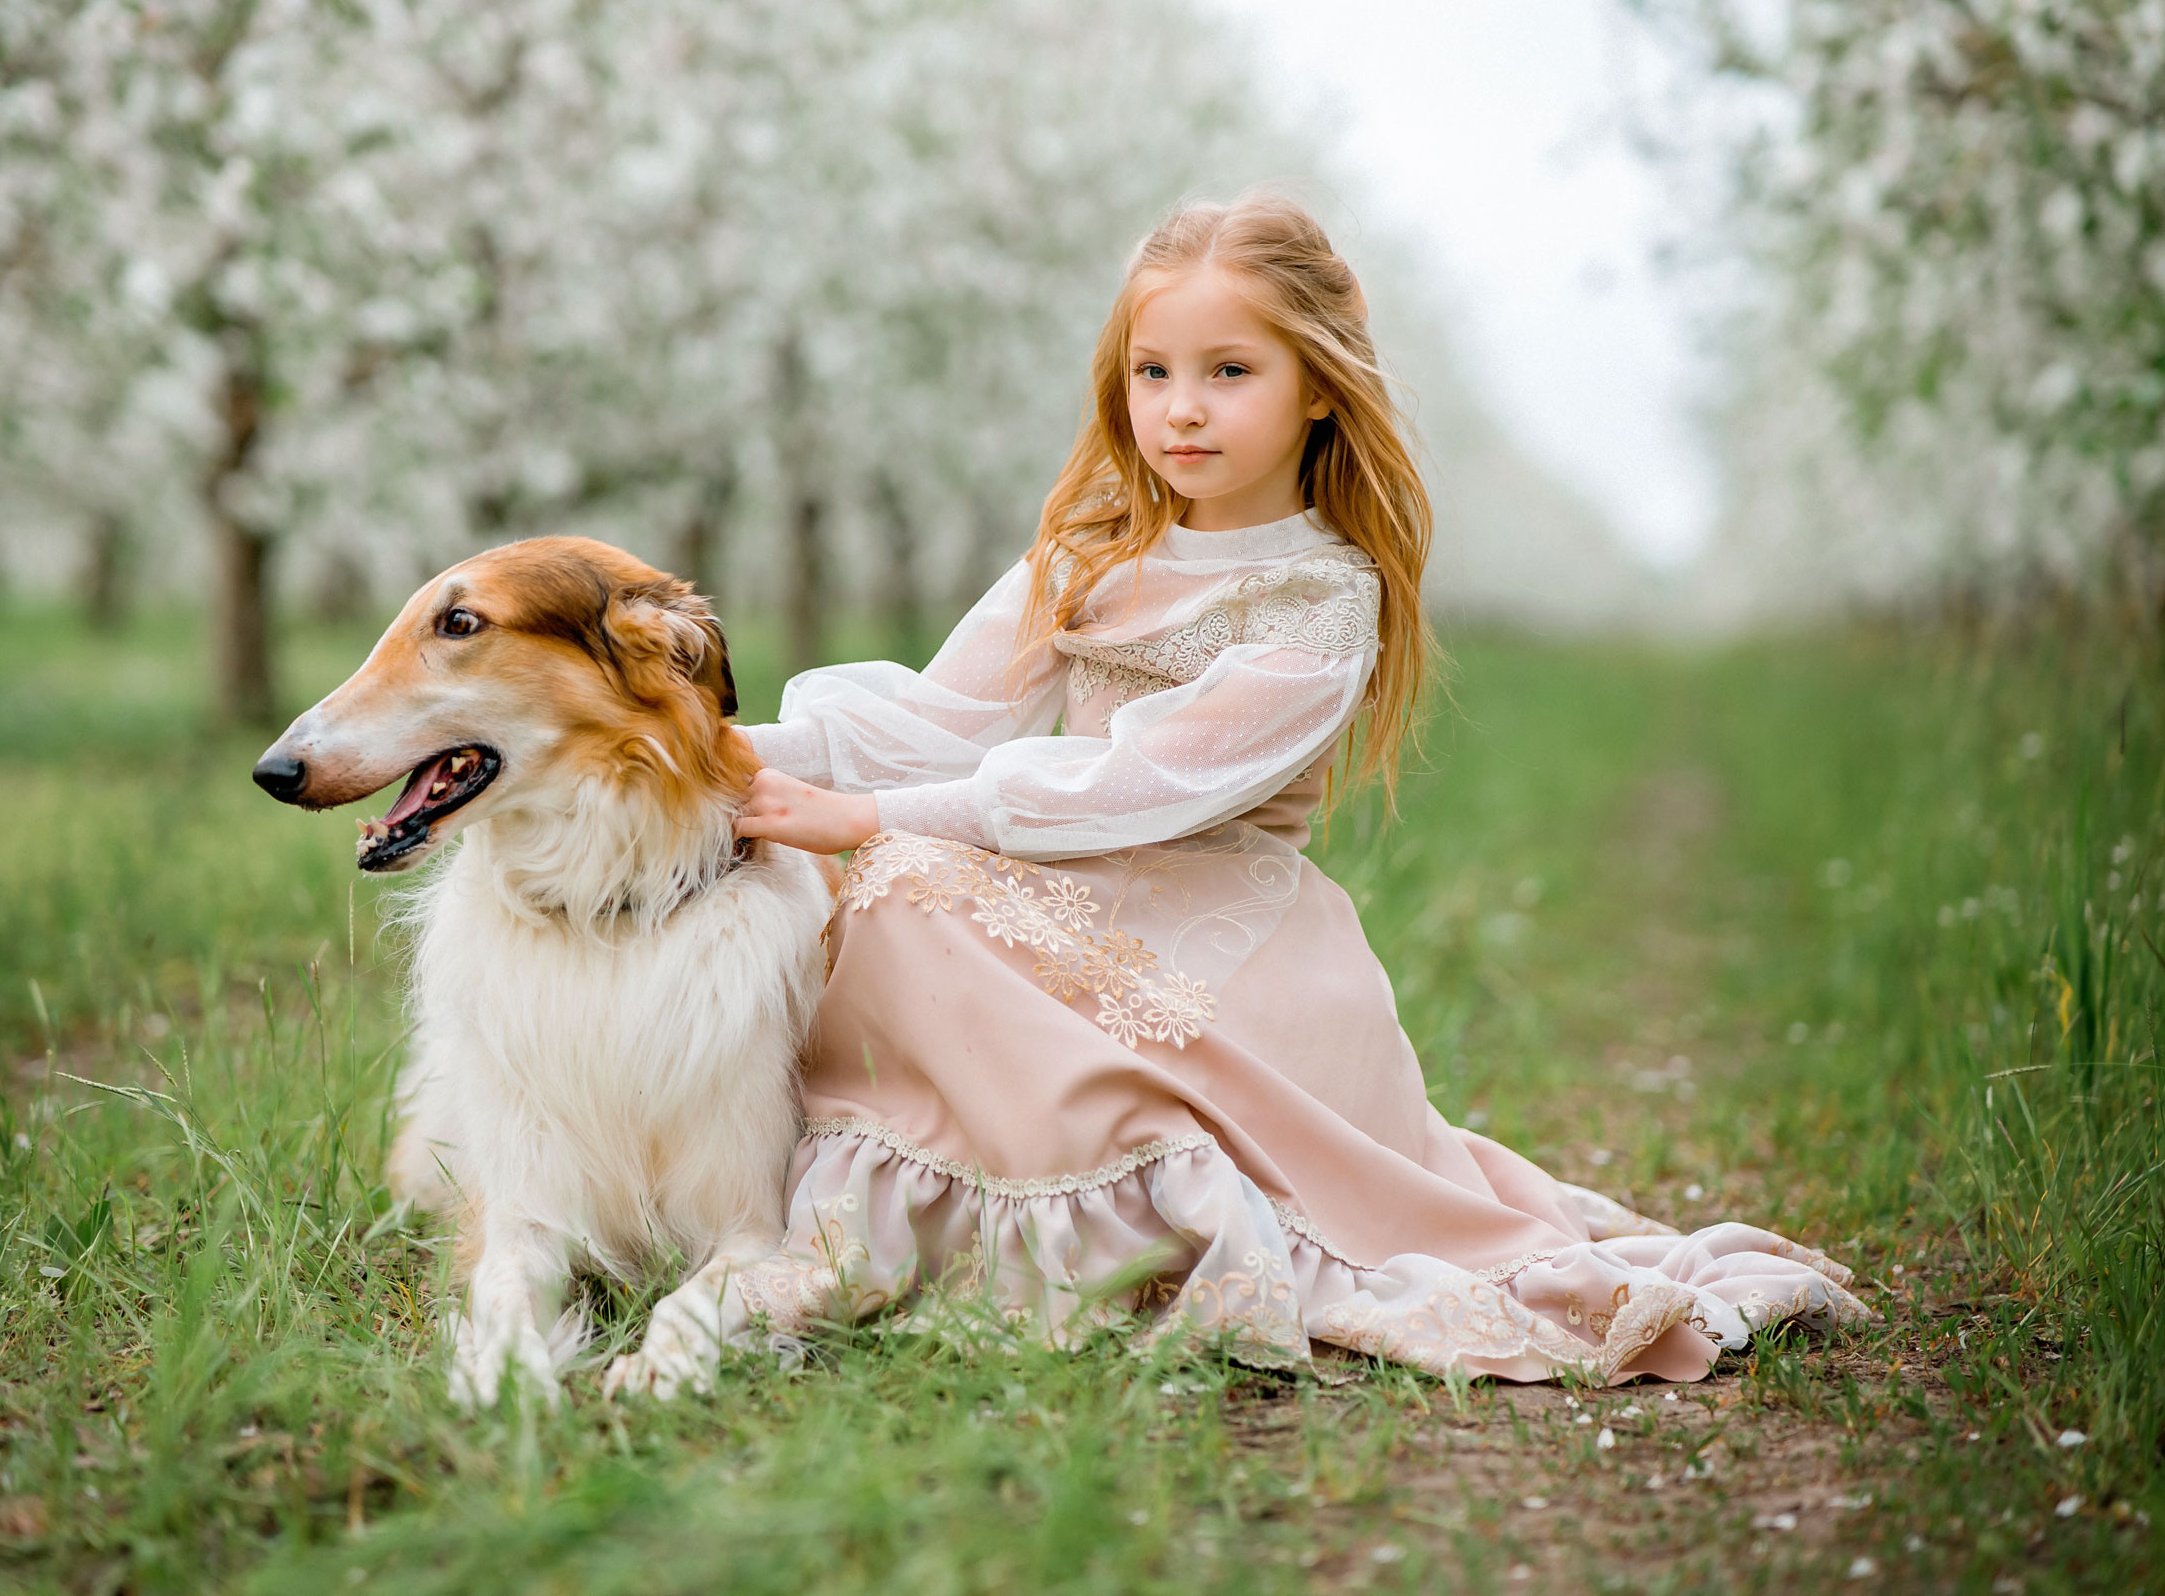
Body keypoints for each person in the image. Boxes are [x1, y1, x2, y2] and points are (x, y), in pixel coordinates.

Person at [722, 194, 1866, 1382]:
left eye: (1229, 370)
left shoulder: (1317, 599)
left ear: (1317, 383)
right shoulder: (1088, 550)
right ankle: (933, 1205)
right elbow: (938, 719)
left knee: (907, 877)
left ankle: (1093, 1213)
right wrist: (712, 756)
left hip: (1226, 941)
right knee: (900, 892)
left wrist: (867, 821)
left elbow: (1138, 783)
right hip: (1061, 901)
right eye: (1152, 370)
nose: (1181, 407)